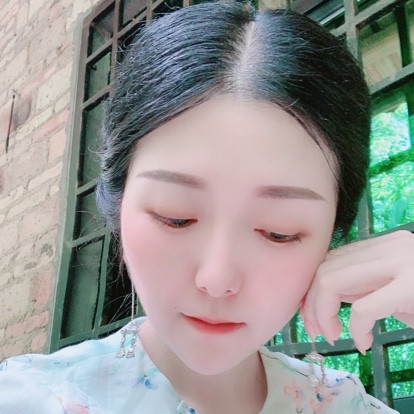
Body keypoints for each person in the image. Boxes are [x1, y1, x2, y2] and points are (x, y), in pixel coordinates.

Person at [0, 2, 413, 413]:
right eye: (175, 217)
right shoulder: (31, 399)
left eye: (279, 232)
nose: (216, 280)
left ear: (332, 237)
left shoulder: (347, 405)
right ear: (120, 206)